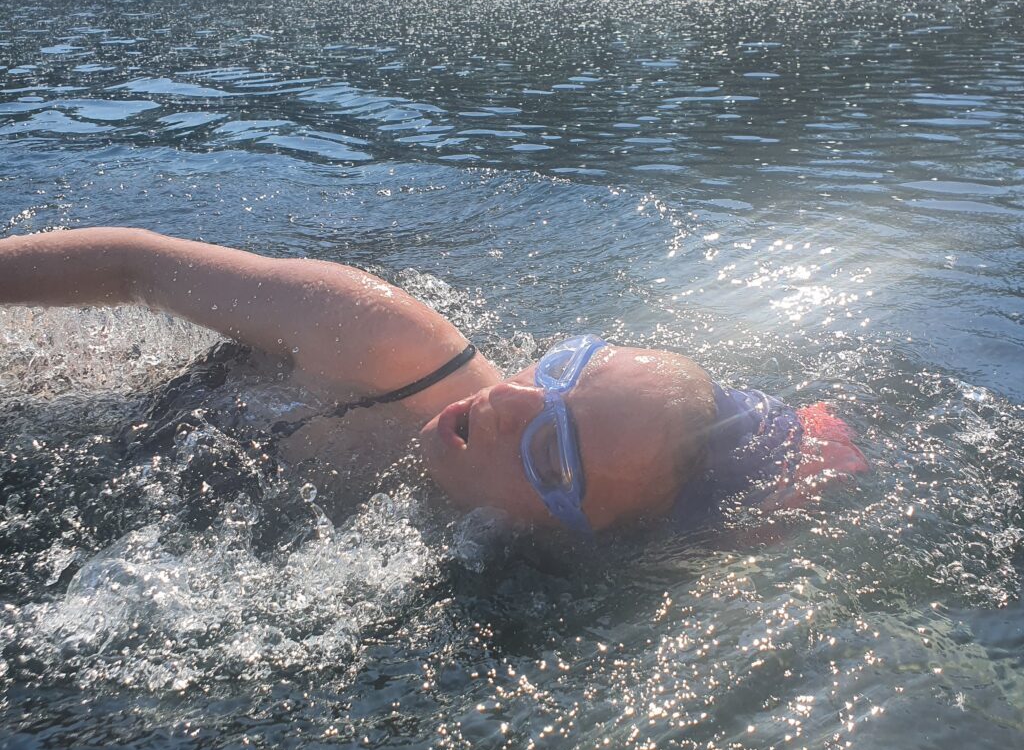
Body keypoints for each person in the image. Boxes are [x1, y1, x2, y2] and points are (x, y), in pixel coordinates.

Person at [0, 227, 868, 534]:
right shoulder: (379, 340)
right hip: (89, 399)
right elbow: (131, 266)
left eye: (552, 452)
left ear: (578, 536)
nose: (512, 399)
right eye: (562, 365)